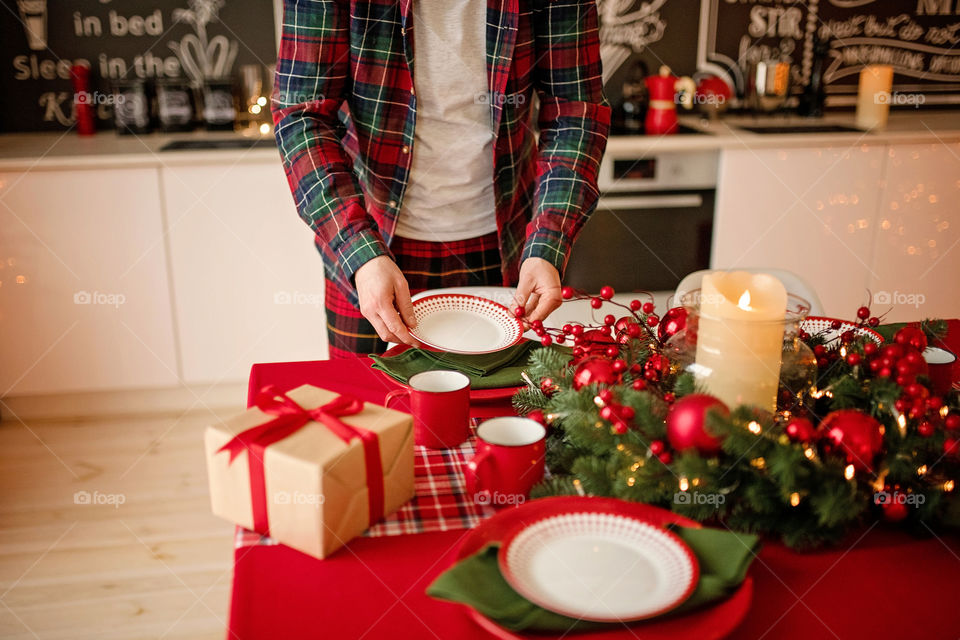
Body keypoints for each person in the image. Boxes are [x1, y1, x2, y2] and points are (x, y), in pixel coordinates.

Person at [272, 0, 610, 358]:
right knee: (368, 409)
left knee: (495, 407)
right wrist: (359, 252)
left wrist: (548, 241)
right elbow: (301, 115)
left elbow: (576, 112)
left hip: (507, 246)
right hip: (368, 243)